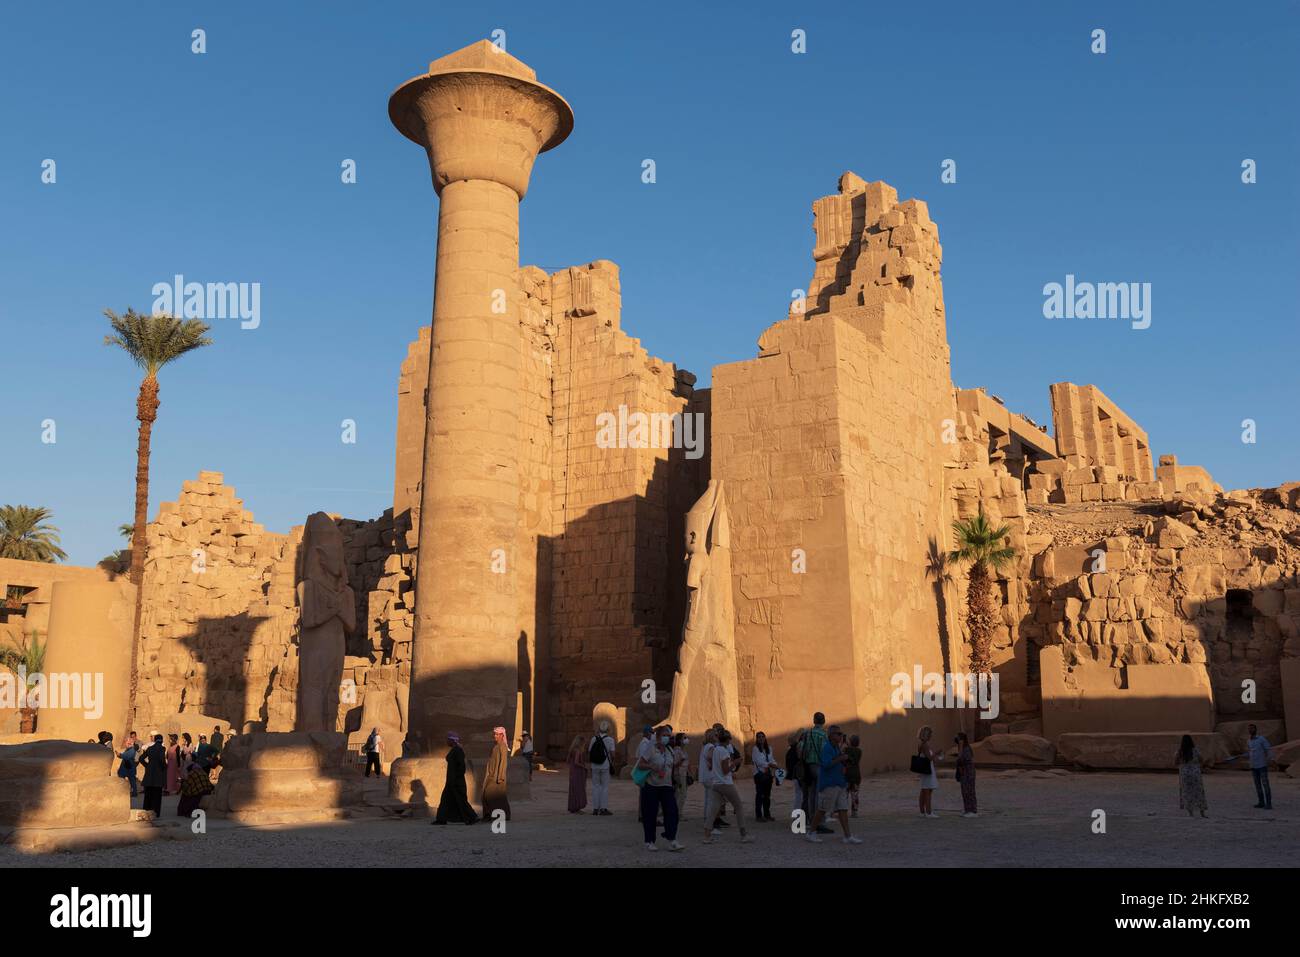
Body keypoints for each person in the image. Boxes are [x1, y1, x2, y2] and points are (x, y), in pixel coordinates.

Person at [805, 725, 861, 844]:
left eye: (841, 734)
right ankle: (811, 833)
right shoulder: (827, 748)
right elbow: (826, 764)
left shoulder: (836, 748)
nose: (841, 736)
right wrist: (841, 759)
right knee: (822, 809)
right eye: (838, 734)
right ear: (831, 736)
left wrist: (843, 763)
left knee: (843, 809)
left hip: (839, 783)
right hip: (829, 784)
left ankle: (847, 836)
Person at [635, 726, 684, 852]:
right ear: (658, 736)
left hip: (666, 786)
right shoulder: (651, 749)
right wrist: (652, 767)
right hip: (651, 786)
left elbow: (671, 767)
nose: (667, 737)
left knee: (672, 812)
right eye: (665, 735)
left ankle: (671, 838)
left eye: (669, 735)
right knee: (650, 814)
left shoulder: (670, 751)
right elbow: (640, 764)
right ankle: (649, 841)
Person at [703, 730, 753, 844]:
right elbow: (725, 770)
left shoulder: (715, 750)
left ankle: (706, 836)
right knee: (739, 807)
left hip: (716, 783)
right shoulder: (724, 752)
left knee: (713, 810)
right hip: (725, 783)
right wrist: (735, 762)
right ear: (728, 740)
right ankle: (744, 835)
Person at [432, 732, 479, 825]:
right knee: (445, 800)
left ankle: (472, 817)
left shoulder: (458, 751)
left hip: (456, 782)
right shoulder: (455, 750)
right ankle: (441, 819)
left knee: (461, 800)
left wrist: (456, 779)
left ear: (452, 740)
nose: (446, 741)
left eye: (448, 739)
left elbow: (461, 767)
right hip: (451, 781)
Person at [1240, 724, 1273, 810]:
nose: (1250, 730)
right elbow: (1250, 752)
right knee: (1257, 785)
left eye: (1252, 728)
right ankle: (1261, 802)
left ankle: (1269, 804)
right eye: (1249, 729)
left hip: (1262, 765)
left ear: (1255, 729)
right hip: (1253, 766)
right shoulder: (1249, 741)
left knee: (1265, 785)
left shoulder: (1261, 739)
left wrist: (1269, 760)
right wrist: (1244, 755)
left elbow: (1268, 749)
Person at [482, 726, 511, 821]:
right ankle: (490, 815)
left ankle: (498, 815)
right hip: (491, 776)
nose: (495, 736)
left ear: (502, 735)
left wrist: (500, 776)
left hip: (497, 777)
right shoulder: (496, 746)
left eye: (497, 734)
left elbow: (503, 762)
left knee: (490, 795)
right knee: (493, 796)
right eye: (495, 734)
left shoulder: (502, 746)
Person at [1176, 734, 1208, 818]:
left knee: (1187, 792)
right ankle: (1202, 813)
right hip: (1195, 772)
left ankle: (1191, 813)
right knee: (1199, 792)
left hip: (1184, 773)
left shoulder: (1180, 751)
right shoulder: (1195, 750)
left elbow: (1175, 761)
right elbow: (1202, 759)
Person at [589, 721, 615, 815]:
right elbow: (612, 754)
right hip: (605, 765)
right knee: (604, 787)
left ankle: (595, 809)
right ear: (608, 730)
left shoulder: (593, 739)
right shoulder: (610, 740)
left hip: (595, 765)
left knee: (596, 786)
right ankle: (603, 808)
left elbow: (590, 751)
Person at [139, 734, 167, 818]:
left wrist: (147, 765)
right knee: (157, 795)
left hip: (149, 774)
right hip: (158, 775)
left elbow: (141, 759)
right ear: (161, 740)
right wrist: (164, 767)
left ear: (154, 740)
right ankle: (155, 813)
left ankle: (146, 811)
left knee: (148, 795)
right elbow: (162, 760)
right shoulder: (162, 748)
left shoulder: (150, 748)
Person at [915, 726, 940, 817]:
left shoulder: (921, 744)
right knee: (928, 790)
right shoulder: (925, 745)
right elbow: (929, 758)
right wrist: (936, 753)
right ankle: (929, 812)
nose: (931, 736)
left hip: (925, 769)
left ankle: (922, 811)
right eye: (930, 734)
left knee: (924, 790)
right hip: (927, 769)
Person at [752, 731, 777, 822]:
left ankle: (767, 814)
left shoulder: (769, 748)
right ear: (757, 739)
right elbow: (758, 761)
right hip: (759, 775)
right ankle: (758, 815)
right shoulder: (755, 749)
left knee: (767, 795)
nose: (761, 738)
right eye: (759, 737)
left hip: (768, 774)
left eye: (763, 736)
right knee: (760, 795)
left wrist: (775, 764)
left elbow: (771, 758)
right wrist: (770, 764)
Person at [698, 728, 718, 830]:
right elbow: (711, 757)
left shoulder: (705, 746)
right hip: (710, 777)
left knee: (707, 800)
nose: (717, 737)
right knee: (711, 801)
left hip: (705, 776)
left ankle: (707, 822)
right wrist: (712, 764)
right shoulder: (711, 746)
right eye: (715, 735)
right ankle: (710, 825)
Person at [954, 732, 977, 817]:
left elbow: (962, 760)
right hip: (964, 773)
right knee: (964, 791)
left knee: (969, 791)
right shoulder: (962, 748)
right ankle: (967, 809)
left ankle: (972, 810)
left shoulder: (966, 749)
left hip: (968, 773)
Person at [567, 734, 589, 813]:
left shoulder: (572, 750)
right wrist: (584, 766)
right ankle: (577, 807)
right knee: (578, 789)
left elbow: (568, 761)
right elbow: (576, 762)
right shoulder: (578, 751)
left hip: (573, 771)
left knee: (573, 789)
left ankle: (573, 807)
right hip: (578, 772)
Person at [672, 732, 691, 820]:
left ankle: (677, 812)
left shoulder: (683, 750)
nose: (686, 739)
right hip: (679, 774)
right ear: (680, 740)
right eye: (684, 738)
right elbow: (675, 764)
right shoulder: (677, 751)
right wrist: (682, 761)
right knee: (681, 794)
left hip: (684, 774)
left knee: (681, 794)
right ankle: (678, 814)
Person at [843, 733, 863, 817]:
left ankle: (843, 811)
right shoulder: (859, 751)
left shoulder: (846, 750)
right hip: (856, 774)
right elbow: (852, 750)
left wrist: (844, 741)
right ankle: (854, 812)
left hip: (847, 774)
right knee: (855, 794)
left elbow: (846, 751)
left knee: (845, 794)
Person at [785, 731, 804, 817]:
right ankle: (799, 817)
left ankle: (797, 816)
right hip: (800, 775)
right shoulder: (798, 748)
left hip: (795, 775)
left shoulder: (790, 750)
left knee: (798, 796)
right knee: (800, 796)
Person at [117, 732, 140, 798]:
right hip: (127, 767)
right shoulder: (129, 749)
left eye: (126, 743)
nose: (125, 744)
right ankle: (128, 792)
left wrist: (120, 755)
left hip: (129, 767)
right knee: (128, 779)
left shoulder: (132, 750)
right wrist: (120, 755)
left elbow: (127, 756)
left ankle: (133, 792)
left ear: (129, 743)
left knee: (130, 780)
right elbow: (124, 756)